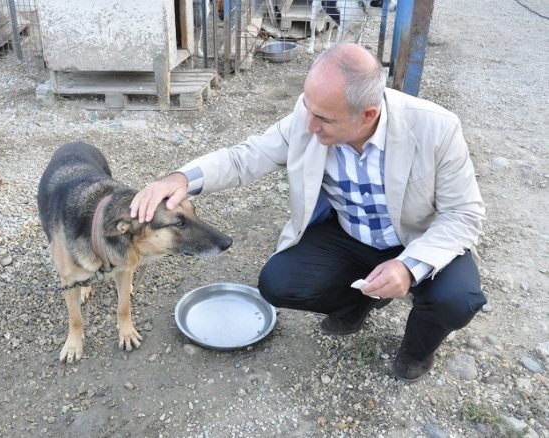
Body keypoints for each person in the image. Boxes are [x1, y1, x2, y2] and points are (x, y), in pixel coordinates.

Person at [130, 43, 487, 383]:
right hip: (350, 234)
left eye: (323, 119)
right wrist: (181, 178)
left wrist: (409, 267)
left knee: (457, 299)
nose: (309, 125)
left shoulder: (437, 128)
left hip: (418, 239)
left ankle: (416, 350)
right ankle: (356, 306)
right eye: (307, 107)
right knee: (278, 283)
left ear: (368, 115)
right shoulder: (308, 116)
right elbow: (245, 157)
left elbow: (464, 214)